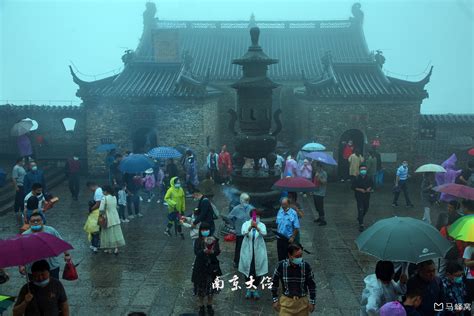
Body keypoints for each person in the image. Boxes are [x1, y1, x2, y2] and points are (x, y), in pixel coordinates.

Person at [20, 213, 70, 279]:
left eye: (38, 220)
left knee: (53, 286)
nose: (35, 222)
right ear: (29, 222)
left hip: (51, 266)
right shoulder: (24, 235)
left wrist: (67, 255)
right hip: (32, 268)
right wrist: (21, 265)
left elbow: (60, 242)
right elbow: (21, 252)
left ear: (42, 221)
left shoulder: (51, 231)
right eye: (33, 221)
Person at [271, 243, 316, 315]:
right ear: (289, 255)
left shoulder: (306, 266)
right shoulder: (281, 266)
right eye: (297, 256)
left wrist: (312, 302)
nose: (299, 259)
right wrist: (275, 300)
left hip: (302, 303)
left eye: (301, 256)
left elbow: (312, 285)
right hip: (286, 303)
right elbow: (274, 283)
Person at [192, 223, 221, 316]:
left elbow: (217, 251)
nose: (205, 231)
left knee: (211, 287)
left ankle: (209, 304)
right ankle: (201, 306)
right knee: (200, 287)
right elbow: (196, 252)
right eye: (203, 230)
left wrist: (212, 251)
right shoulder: (198, 241)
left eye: (206, 229)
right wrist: (203, 251)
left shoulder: (214, 240)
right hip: (200, 267)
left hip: (212, 267)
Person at [239, 209, 268, 300]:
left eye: (258, 216)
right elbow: (243, 233)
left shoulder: (262, 225)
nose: (257, 218)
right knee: (248, 271)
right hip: (247, 251)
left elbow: (264, 233)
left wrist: (257, 228)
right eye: (255, 216)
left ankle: (255, 289)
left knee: (257, 272)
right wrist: (250, 227)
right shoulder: (246, 224)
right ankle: (248, 289)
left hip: (258, 252)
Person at [225, 193, 253, 268]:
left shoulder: (252, 208)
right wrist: (234, 224)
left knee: (249, 247)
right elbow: (229, 217)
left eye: (247, 201)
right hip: (240, 232)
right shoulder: (236, 209)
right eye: (245, 201)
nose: (246, 203)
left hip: (249, 232)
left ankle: (248, 261)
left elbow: (255, 219)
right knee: (239, 247)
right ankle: (237, 261)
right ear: (240, 201)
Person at [99, 185, 126, 255]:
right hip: (115, 217)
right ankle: (116, 248)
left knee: (108, 233)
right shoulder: (114, 197)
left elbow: (101, 209)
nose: (102, 192)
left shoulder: (104, 198)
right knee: (116, 233)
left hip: (108, 217)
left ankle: (109, 249)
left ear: (106, 191)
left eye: (103, 191)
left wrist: (102, 214)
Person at [351, 165, 373, 232]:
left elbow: (372, 185)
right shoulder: (356, 178)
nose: (363, 171)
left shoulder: (369, 177)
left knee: (366, 209)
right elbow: (352, 187)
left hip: (367, 196)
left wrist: (369, 188)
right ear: (359, 170)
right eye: (362, 169)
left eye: (364, 169)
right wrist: (360, 189)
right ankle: (361, 224)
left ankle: (360, 218)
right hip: (359, 196)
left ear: (366, 170)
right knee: (360, 209)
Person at [312, 162, 327, 226]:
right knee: (317, 206)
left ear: (320, 167)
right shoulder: (316, 172)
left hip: (320, 192)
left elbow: (324, 182)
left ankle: (323, 220)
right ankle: (319, 217)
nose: (316, 168)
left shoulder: (324, 173)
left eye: (317, 167)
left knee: (320, 207)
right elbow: (314, 182)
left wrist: (319, 178)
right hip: (315, 191)